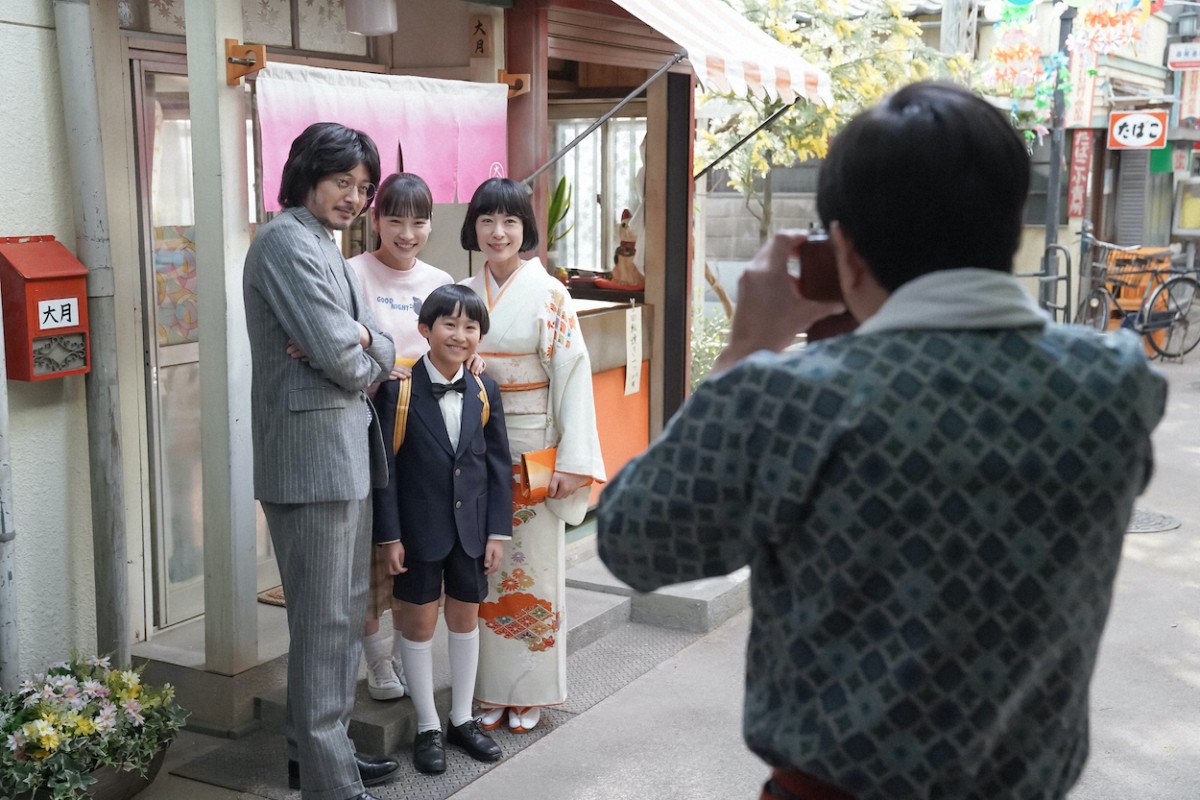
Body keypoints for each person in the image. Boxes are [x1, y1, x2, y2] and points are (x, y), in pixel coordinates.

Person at [596, 82, 1167, 800]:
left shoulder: (794, 398)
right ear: (1009, 220)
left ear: (844, 253)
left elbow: (632, 541)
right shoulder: (1113, 384)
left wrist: (746, 347)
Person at [243, 121, 399, 800]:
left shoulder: (324, 245)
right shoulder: (285, 242)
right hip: (311, 462)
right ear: (308, 172)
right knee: (323, 623)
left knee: (341, 616)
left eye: (364, 188)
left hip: (337, 455)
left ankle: (318, 754)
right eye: (344, 182)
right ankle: (329, 781)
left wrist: (362, 336)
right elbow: (346, 361)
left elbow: (381, 347)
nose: (354, 198)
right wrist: (358, 348)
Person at [459, 177, 606, 733]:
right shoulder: (462, 290)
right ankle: (489, 689)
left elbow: (572, 375)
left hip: (533, 449)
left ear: (526, 230)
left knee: (533, 569)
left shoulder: (550, 294)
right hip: (473, 448)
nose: (498, 233)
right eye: (487, 221)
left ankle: (530, 693)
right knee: (482, 571)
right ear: (473, 226)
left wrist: (573, 459)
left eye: (510, 222)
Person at [371, 284, 512, 775]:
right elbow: (383, 469)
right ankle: (428, 723)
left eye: (471, 327)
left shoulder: (483, 388)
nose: (460, 334)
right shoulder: (399, 389)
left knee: (465, 617)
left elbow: (497, 466)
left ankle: (461, 718)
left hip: (472, 529)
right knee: (418, 622)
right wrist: (389, 536)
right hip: (416, 531)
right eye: (449, 324)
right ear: (425, 330)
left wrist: (497, 532)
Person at [347, 172, 455, 702]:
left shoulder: (439, 281)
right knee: (369, 547)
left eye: (418, 221)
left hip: (425, 438)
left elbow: (456, 342)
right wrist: (377, 370)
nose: (407, 232)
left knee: (417, 547)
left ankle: (404, 651)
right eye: (395, 220)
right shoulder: (351, 274)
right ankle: (377, 663)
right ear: (375, 220)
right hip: (366, 430)